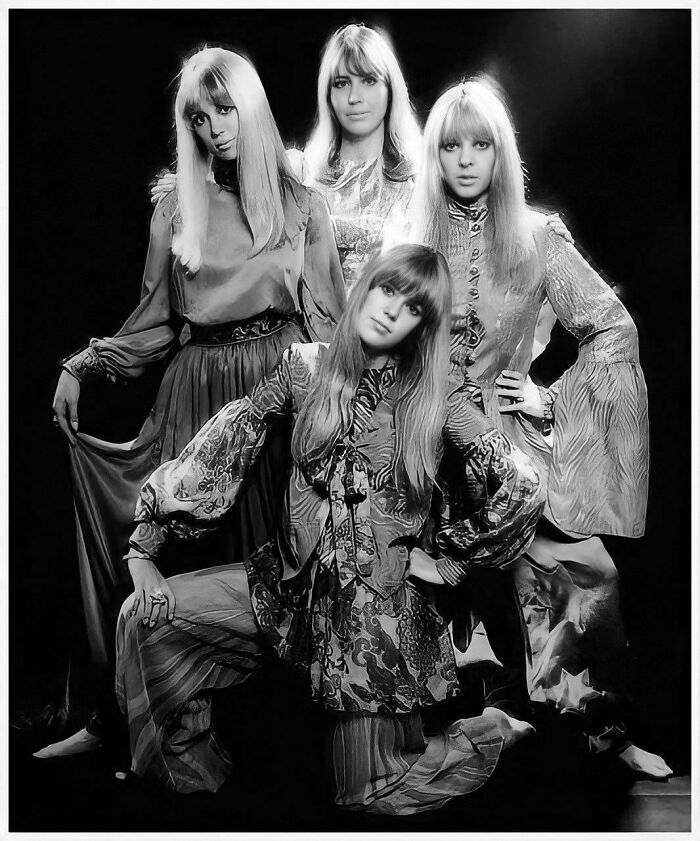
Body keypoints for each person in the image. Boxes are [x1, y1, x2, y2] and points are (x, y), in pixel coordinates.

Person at [116, 245, 544, 811]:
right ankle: (196, 784)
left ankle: (489, 731)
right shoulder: (304, 366)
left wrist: (449, 559)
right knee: (147, 622)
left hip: (372, 618)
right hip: (287, 591)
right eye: (387, 289)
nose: (392, 310)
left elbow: (522, 484)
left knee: (368, 794)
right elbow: (232, 439)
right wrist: (145, 545)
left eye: (413, 307)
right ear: (365, 287)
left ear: (424, 327)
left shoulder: (439, 402)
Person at [38, 46, 345, 759]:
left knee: (281, 566)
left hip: (279, 397)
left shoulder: (305, 206)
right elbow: (155, 322)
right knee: (172, 553)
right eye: (199, 118)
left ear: (253, 106)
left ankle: (289, 732)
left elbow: (330, 325)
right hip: (196, 392)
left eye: (225, 108)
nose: (214, 129)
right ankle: (123, 717)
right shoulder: (177, 206)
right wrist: (84, 362)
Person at [410, 76, 671, 778]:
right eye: (450, 147)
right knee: (424, 585)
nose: (465, 159)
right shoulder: (408, 239)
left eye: (481, 144)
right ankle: (444, 739)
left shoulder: (535, 236)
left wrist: (547, 395)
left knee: (587, 571)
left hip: (508, 445)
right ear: (433, 157)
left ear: (501, 154)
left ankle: (604, 735)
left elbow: (611, 326)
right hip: (421, 441)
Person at [152, 23, 420, 294]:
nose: (354, 97)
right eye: (341, 83)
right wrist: (192, 183)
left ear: (391, 87)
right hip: (312, 331)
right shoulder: (299, 171)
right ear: (327, 92)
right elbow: (235, 192)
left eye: (369, 80)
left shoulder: (421, 179)